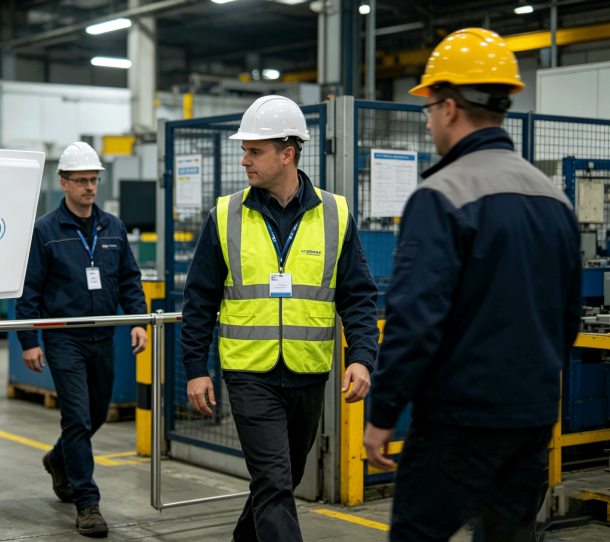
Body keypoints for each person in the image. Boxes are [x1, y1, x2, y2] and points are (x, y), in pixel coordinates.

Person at [363, 28, 582, 542]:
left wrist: (384, 413)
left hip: (457, 421)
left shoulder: (441, 194)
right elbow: (568, 316)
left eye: (428, 108)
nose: (428, 121)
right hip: (532, 417)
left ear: (449, 108)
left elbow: (414, 320)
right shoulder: (554, 199)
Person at [179, 95, 379, 541]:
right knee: (273, 481)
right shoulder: (225, 215)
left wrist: (362, 357)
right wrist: (195, 368)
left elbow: (358, 295)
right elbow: (199, 300)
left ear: (287, 154)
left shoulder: (335, 214)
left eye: (255, 151)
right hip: (249, 373)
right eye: (244, 150)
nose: (244, 160)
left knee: (281, 480)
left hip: (309, 373)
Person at [16, 141, 149, 537]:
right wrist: (29, 340)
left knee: (96, 414)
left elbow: (129, 278)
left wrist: (138, 320)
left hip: (102, 336)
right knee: (76, 416)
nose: (89, 187)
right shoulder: (45, 231)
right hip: (64, 338)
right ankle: (87, 503)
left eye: (93, 180)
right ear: (63, 183)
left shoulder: (113, 227)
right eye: (81, 180)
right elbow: (29, 289)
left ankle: (58, 459)